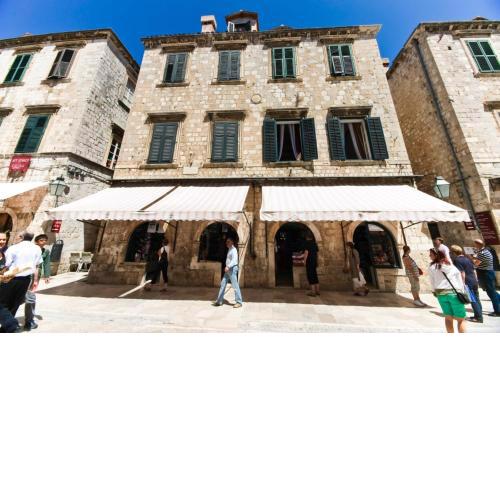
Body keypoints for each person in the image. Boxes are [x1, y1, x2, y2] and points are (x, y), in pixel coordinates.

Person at [0, 231, 42, 328]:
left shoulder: (13, 248)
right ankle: (8, 327)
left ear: (21, 237)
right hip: (26, 280)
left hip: (11, 279)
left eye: (4, 239)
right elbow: (37, 266)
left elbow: (7, 264)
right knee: (14, 304)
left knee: (4, 304)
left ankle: (11, 325)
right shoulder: (37, 248)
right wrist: (35, 281)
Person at [428, 248, 466, 333]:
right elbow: (459, 279)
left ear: (436, 255)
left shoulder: (432, 267)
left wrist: (434, 291)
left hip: (441, 294)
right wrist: (462, 291)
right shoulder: (451, 266)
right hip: (454, 293)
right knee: (460, 319)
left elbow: (432, 281)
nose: (429, 256)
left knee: (448, 318)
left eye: (431, 254)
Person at [24, 234, 51, 331]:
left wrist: (47, 275)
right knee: (26, 296)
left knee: (30, 295)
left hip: (36, 275)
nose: (43, 242)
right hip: (26, 273)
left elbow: (46, 263)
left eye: (45, 240)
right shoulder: (31, 249)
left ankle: (29, 319)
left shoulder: (46, 251)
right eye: (41, 240)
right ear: (36, 241)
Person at [450, 244, 483, 323]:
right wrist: (476, 279)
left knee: (472, 300)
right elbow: (473, 270)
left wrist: (463, 284)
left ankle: (479, 317)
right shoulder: (467, 258)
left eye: (451, 252)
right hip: (473, 280)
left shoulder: (457, 260)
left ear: (454, 252)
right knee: (477, 298)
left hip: (468, 282)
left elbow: (462, 273)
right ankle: (478, 314)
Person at [472, 239, 500, 317]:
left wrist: (471, 258)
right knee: (491, 291)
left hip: (486, 274)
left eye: (475, 244)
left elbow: (476, 264)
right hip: (488, 273)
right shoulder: (485, 251)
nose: (474, 246)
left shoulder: (482, 253)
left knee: (491, 293)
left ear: (477, 244)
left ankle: (498, 311)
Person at [212, 237, 243, 308]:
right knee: (223, 284)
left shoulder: (234, 250)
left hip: (232, 269)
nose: (227, 243)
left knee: (235, 286)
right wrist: (227, 267)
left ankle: (239, 302)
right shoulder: (229, 249)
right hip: (228, 269)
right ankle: (219, 301)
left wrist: (228, 266)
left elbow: (234, 260)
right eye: (226, 242)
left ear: (232, 242)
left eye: (228, 241)